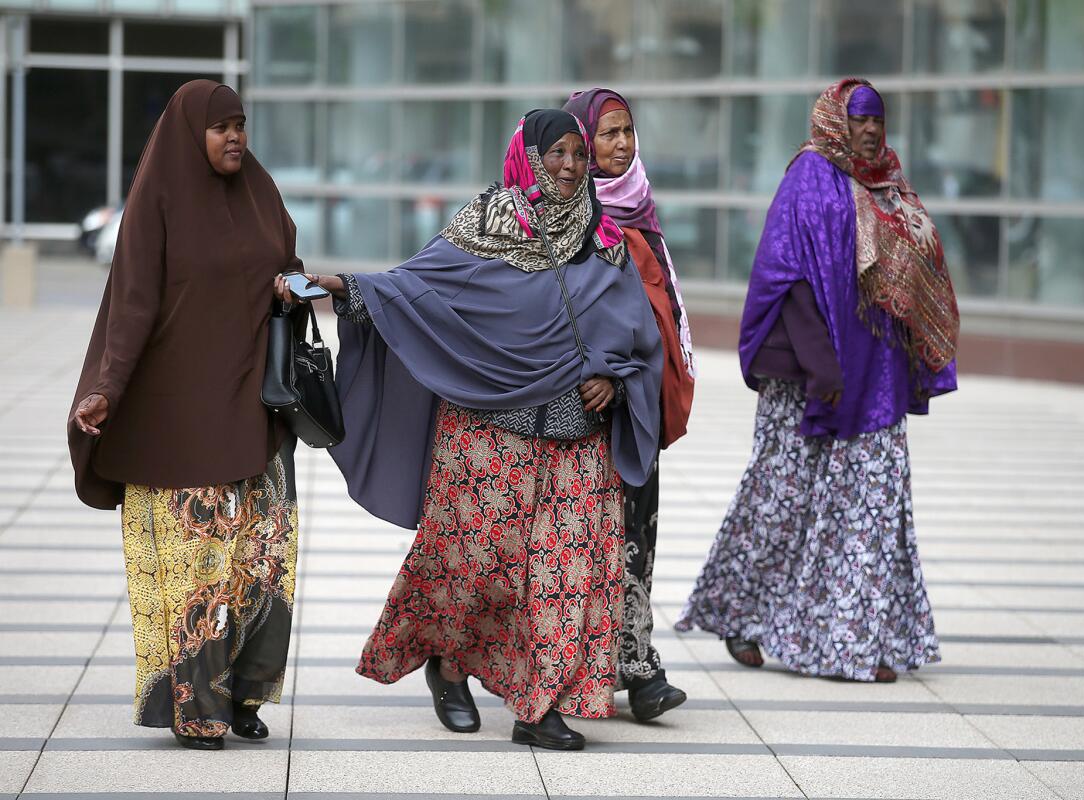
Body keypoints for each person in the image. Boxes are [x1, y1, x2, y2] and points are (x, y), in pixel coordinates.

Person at [283, 110, 662, 751]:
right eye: (556, 153)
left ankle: (537, 709)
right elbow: (414, 289)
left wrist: (618, 380)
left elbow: (636, 335)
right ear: (529, 156)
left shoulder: (606, 240)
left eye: (578, 153)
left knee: (563, 577)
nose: (570, 166)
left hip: (577, 437)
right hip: (490, 429)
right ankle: (448, 664)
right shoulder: (485, 225)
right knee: (471, 566)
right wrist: (340, 286)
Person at [675, 79, 959, 683]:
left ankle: (855, 640)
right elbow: (787, 277)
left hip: (875, 374)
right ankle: (741, 614)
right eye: (860, 119)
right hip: (811, 373)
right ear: (836, 120)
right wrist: (821, 365)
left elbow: (914, 271)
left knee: (870, 505)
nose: (871, 129)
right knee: (782, 499)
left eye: (878, 119)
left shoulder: (887, 184)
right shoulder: (811, 176)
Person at [68, 80, 304, 749]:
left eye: (242, 124)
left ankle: (246, 692)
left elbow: (288, 265)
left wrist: (303, 287)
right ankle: (198, 706)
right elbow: (132, 304)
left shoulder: (260, 191)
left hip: (257, 408)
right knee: (200, 563)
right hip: (184, 411)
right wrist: (106, 387)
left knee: (262, 558)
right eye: (220, 126)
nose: (235, 137)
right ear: (188, 132)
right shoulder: (158, 199)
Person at [562, 88, 693, 721]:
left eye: (628, 131)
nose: (621, 144)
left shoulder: (638, 207)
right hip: (592, 406)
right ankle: (631, 673)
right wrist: (608, 373)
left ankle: (634, 665)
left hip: (638, 400)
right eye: (608, 133)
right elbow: (579, 310)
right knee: (600, 539)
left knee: (637, 534)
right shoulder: (573, 212)